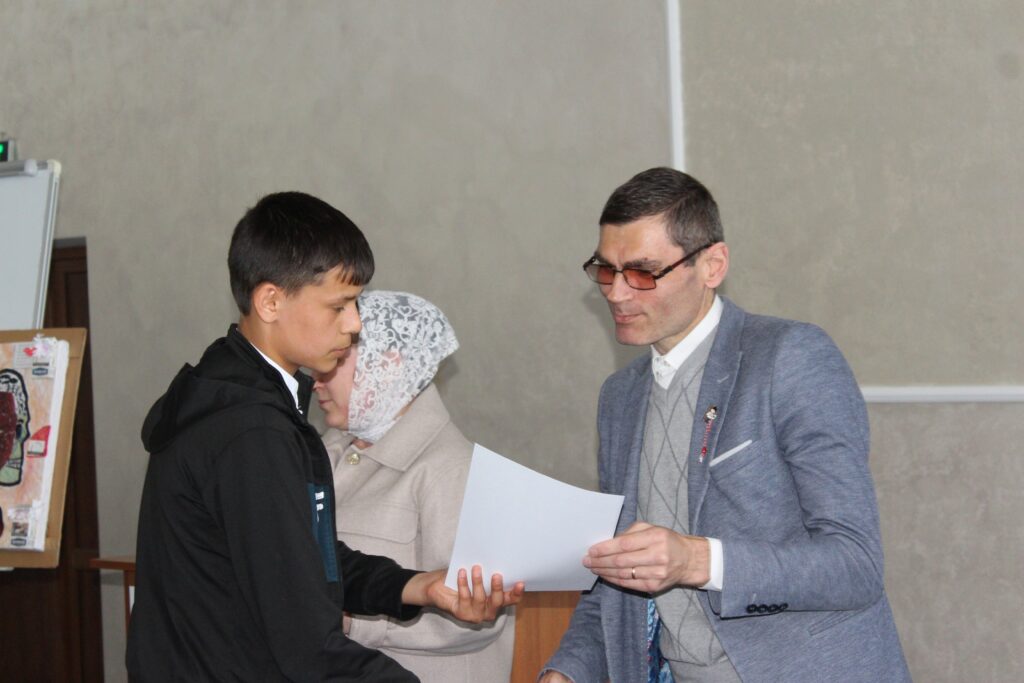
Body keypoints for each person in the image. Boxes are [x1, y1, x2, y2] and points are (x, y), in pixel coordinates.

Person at [127, 191, 522, 682]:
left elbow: (304, 558)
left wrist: (414, 586)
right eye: (339, 306)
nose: (354, 324)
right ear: (271, 301)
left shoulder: (238, 396)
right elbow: (305, 644)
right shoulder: (250, 431)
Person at [542, 168, 909, 682]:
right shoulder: (619, 398)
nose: (618, 294)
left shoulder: (789, 357)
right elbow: (616, 575)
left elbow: (854, 564)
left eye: (643, 272)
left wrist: (697, 560)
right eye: (606, 270)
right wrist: (566, 673)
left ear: (712, 265)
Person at [313, 290, 515, 682]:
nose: (316, 380)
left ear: (387, 365)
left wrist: (351, 620)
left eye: (335, 361)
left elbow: (478, 617)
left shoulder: (453, 468)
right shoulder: (323, 451)